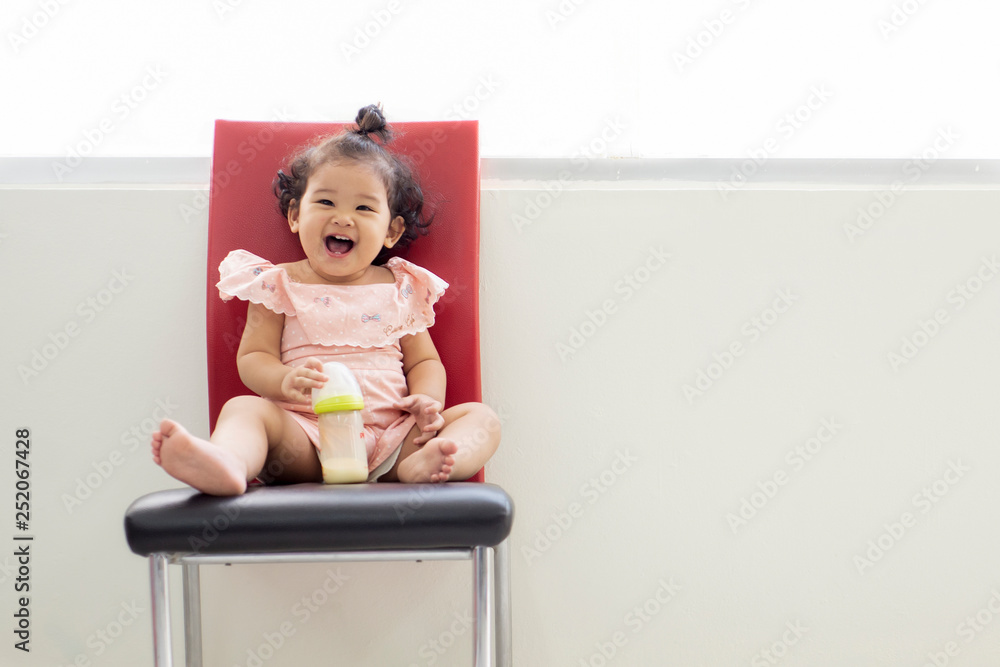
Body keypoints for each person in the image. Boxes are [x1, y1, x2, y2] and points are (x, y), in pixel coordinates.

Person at [151, 104, 500, 496]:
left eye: (364, 208)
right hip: (307, 439)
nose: (344, 218)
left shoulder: (401, 287)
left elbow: (423, 360)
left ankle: (425, 463)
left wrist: (427, 400)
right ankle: (229, 461)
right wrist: (284, 380)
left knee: (482, 419)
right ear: (296, 215)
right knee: (244, 410)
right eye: (326, 203)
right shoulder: (277, 283)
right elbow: (252, 358)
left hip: (395, 438)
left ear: (391, 230)